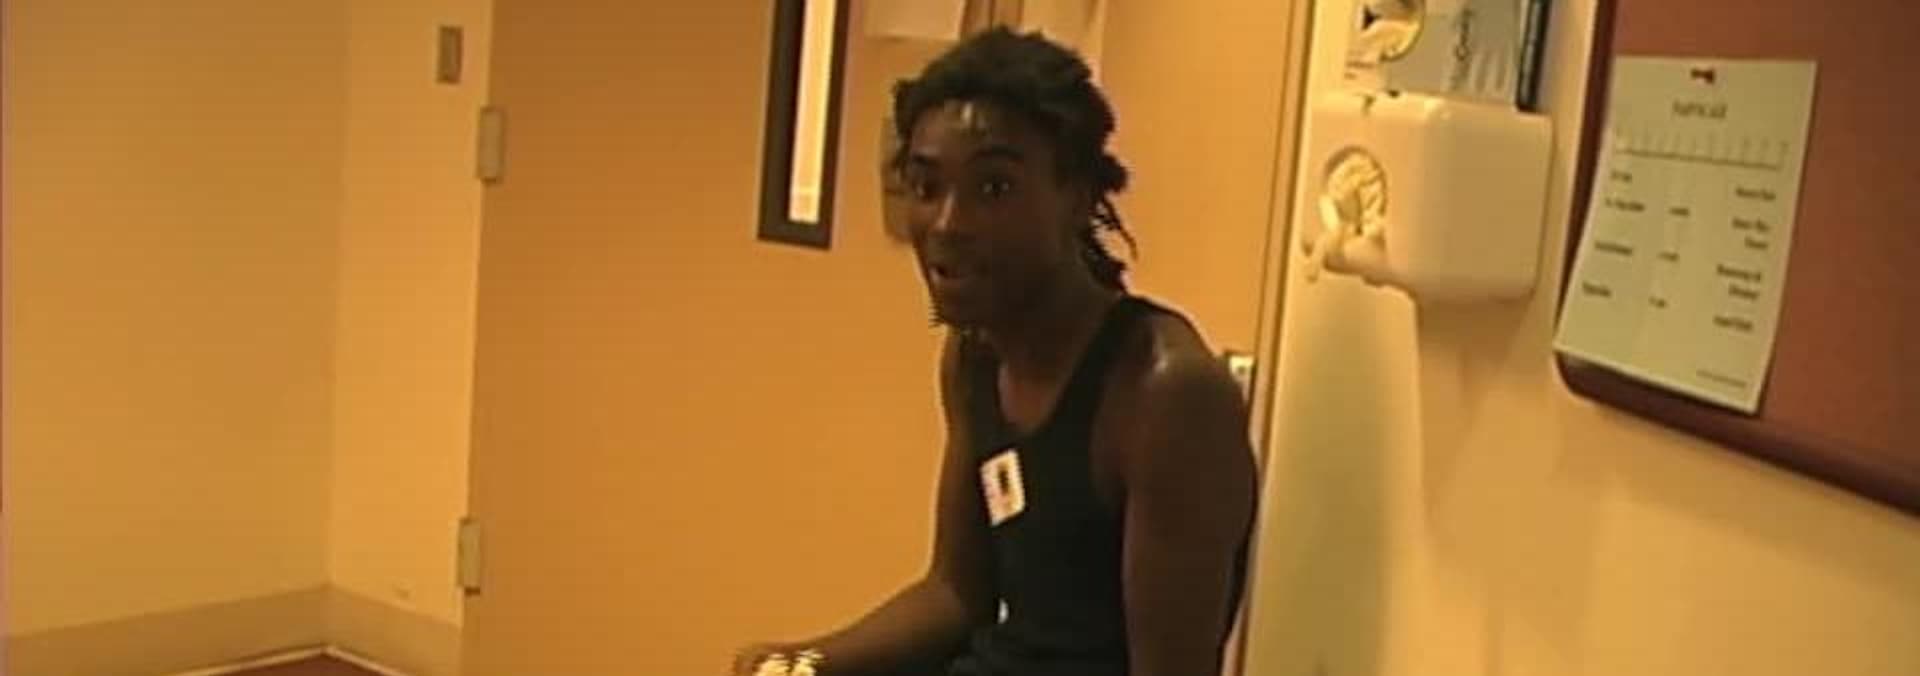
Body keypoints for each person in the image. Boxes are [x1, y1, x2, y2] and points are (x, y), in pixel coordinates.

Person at [735, 28, 1258, 676]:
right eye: (926, 188)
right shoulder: (974, 359)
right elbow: (957, 594)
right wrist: (801, 663)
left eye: (993, 189)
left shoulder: (1166, 394)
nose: (948, 223)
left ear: (1075, 197)